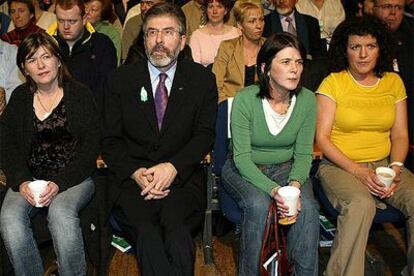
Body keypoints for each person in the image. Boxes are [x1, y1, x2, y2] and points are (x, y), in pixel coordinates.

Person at [102, 3, 217, 275]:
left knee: (178, 235)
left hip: (182, 180)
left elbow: (204, 135)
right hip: (134, 183)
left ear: (182, 39)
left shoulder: (201, 80)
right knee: (147, 235)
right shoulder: (120, 81)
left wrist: (173, 167)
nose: (159, 41)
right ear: (144, 39)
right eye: (152, 33)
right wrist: (134, 172)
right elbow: (110, 140)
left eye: (167, 32)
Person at [316, 16, 414, 276]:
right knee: (361, 204)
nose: (362, 54)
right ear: (343, 50)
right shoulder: (333, 83)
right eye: (355, 47)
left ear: (380, 48)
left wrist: (395, 167)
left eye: (370, 46)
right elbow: (322, 140)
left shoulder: (394, 82)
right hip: (340, 166)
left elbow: (401, 135)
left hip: (384, 165)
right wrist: (359, 171)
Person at [0, 32, 100, 276]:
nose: (41, 65)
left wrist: (59, 183)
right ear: (24, 68)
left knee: (60, 213)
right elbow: (6, 144)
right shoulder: (20, 98)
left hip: (74, 178)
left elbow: (90, 148)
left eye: (46, 56)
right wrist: (21, 180)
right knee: (9, 218)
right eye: (32, 60)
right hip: (30, 178)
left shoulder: (80, 95)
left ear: (58, 59)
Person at [221, 32, 319, 276]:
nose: (294, 69)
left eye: (298, 62)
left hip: (287, 166)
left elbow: (304, 153)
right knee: (258, 205)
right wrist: (275, 191)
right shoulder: (245, 99)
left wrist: (294, 186)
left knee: (307, 207)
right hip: (243, 167)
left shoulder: (307, 100)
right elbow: (241, 158)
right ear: (265, 68)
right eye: (285, 62)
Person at [47, 0, 117, 110]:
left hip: (92, 114)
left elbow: (106, 92)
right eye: (60, 21)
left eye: (72, 21)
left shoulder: (102, 45)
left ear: (84, 19)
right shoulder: (47, 46)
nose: (65, 27)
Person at [372, 0, 414, 143]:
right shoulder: (361, 35)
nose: (393, 13)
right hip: (374, 109)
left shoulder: (410, 34)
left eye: (398, 8)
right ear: (374, 8)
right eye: (387, 7)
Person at [212, 1, 265, 102]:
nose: (259, 25)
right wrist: (229, 105)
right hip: (231, 103)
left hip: (262, 107)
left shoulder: (269, 47)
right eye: (252, 21)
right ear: (240, 25)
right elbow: (215, 84)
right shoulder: (227, 47)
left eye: (261, 20)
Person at [189, 0, 240, 67]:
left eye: (219, 7)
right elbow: (195, 68)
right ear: (206, 10)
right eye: (211, 7)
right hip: (205, 76)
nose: (215, 11)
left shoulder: (236, 33)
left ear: (226, 11)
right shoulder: (196, 36)